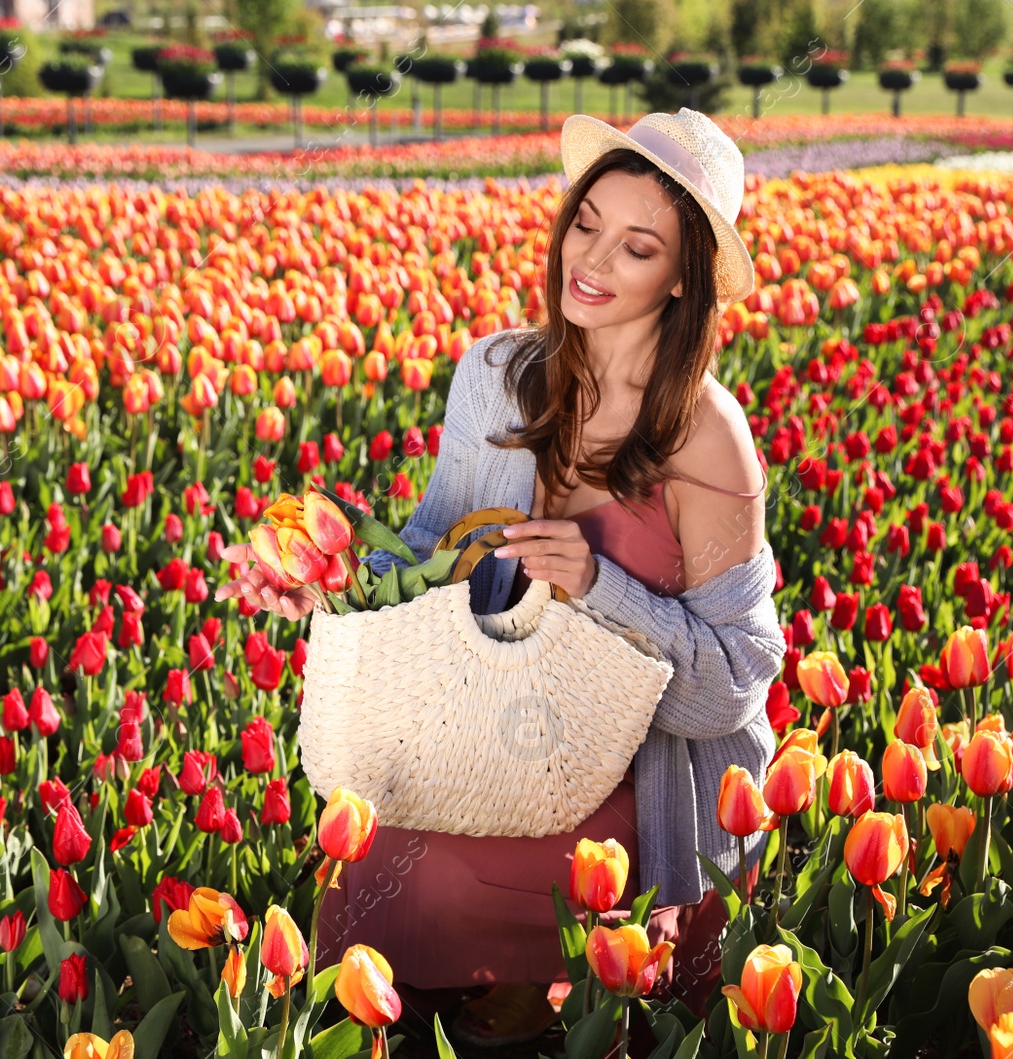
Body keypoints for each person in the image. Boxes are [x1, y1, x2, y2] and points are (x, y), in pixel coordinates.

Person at [216, 109, 787, 1048]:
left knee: (505, 883)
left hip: (635, 790)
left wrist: (598, 584)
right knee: (388, 849)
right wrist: (329, 574)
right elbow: (433, 555)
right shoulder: (496, 373)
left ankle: (546, 994)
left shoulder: (707, 436)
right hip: (494, 738)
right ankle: (439, 1011)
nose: (592, 260)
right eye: (587, 222)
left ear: (683, 278)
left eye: (636, 247)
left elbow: (733, 684)